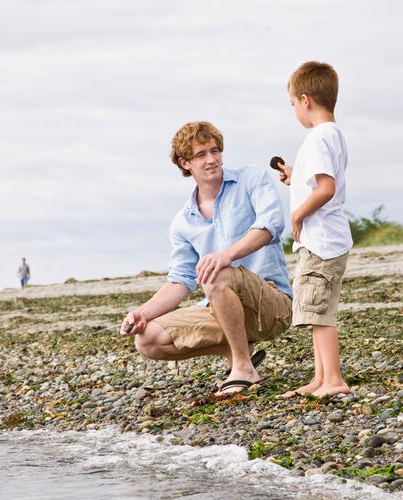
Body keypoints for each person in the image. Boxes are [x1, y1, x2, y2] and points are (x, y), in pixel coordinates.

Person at [120, 121, 292, 396]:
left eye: (215, 151)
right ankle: (239, 354)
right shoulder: (183, 222)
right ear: (185, 163)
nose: (212, 160)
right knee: (148, 341)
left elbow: (271, 225)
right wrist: (143, 313)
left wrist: (226, 256)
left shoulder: (251, 179)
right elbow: (180, 281)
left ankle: (243, 369)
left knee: (216, 271)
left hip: (271, 305)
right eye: (201, 155)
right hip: (220, 308)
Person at [274, 61, 353, 398]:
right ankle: (320, 378)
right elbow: (316, 181)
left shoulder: (319, 137)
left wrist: (296, 216)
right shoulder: (331, 135)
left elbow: (325, 188)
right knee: (317, 309)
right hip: (327, 238)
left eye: (292, 103)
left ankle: (333, 380)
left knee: (320, 313)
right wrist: (295, 176)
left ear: (305, 100)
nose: (294, 109)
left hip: (321, 240)